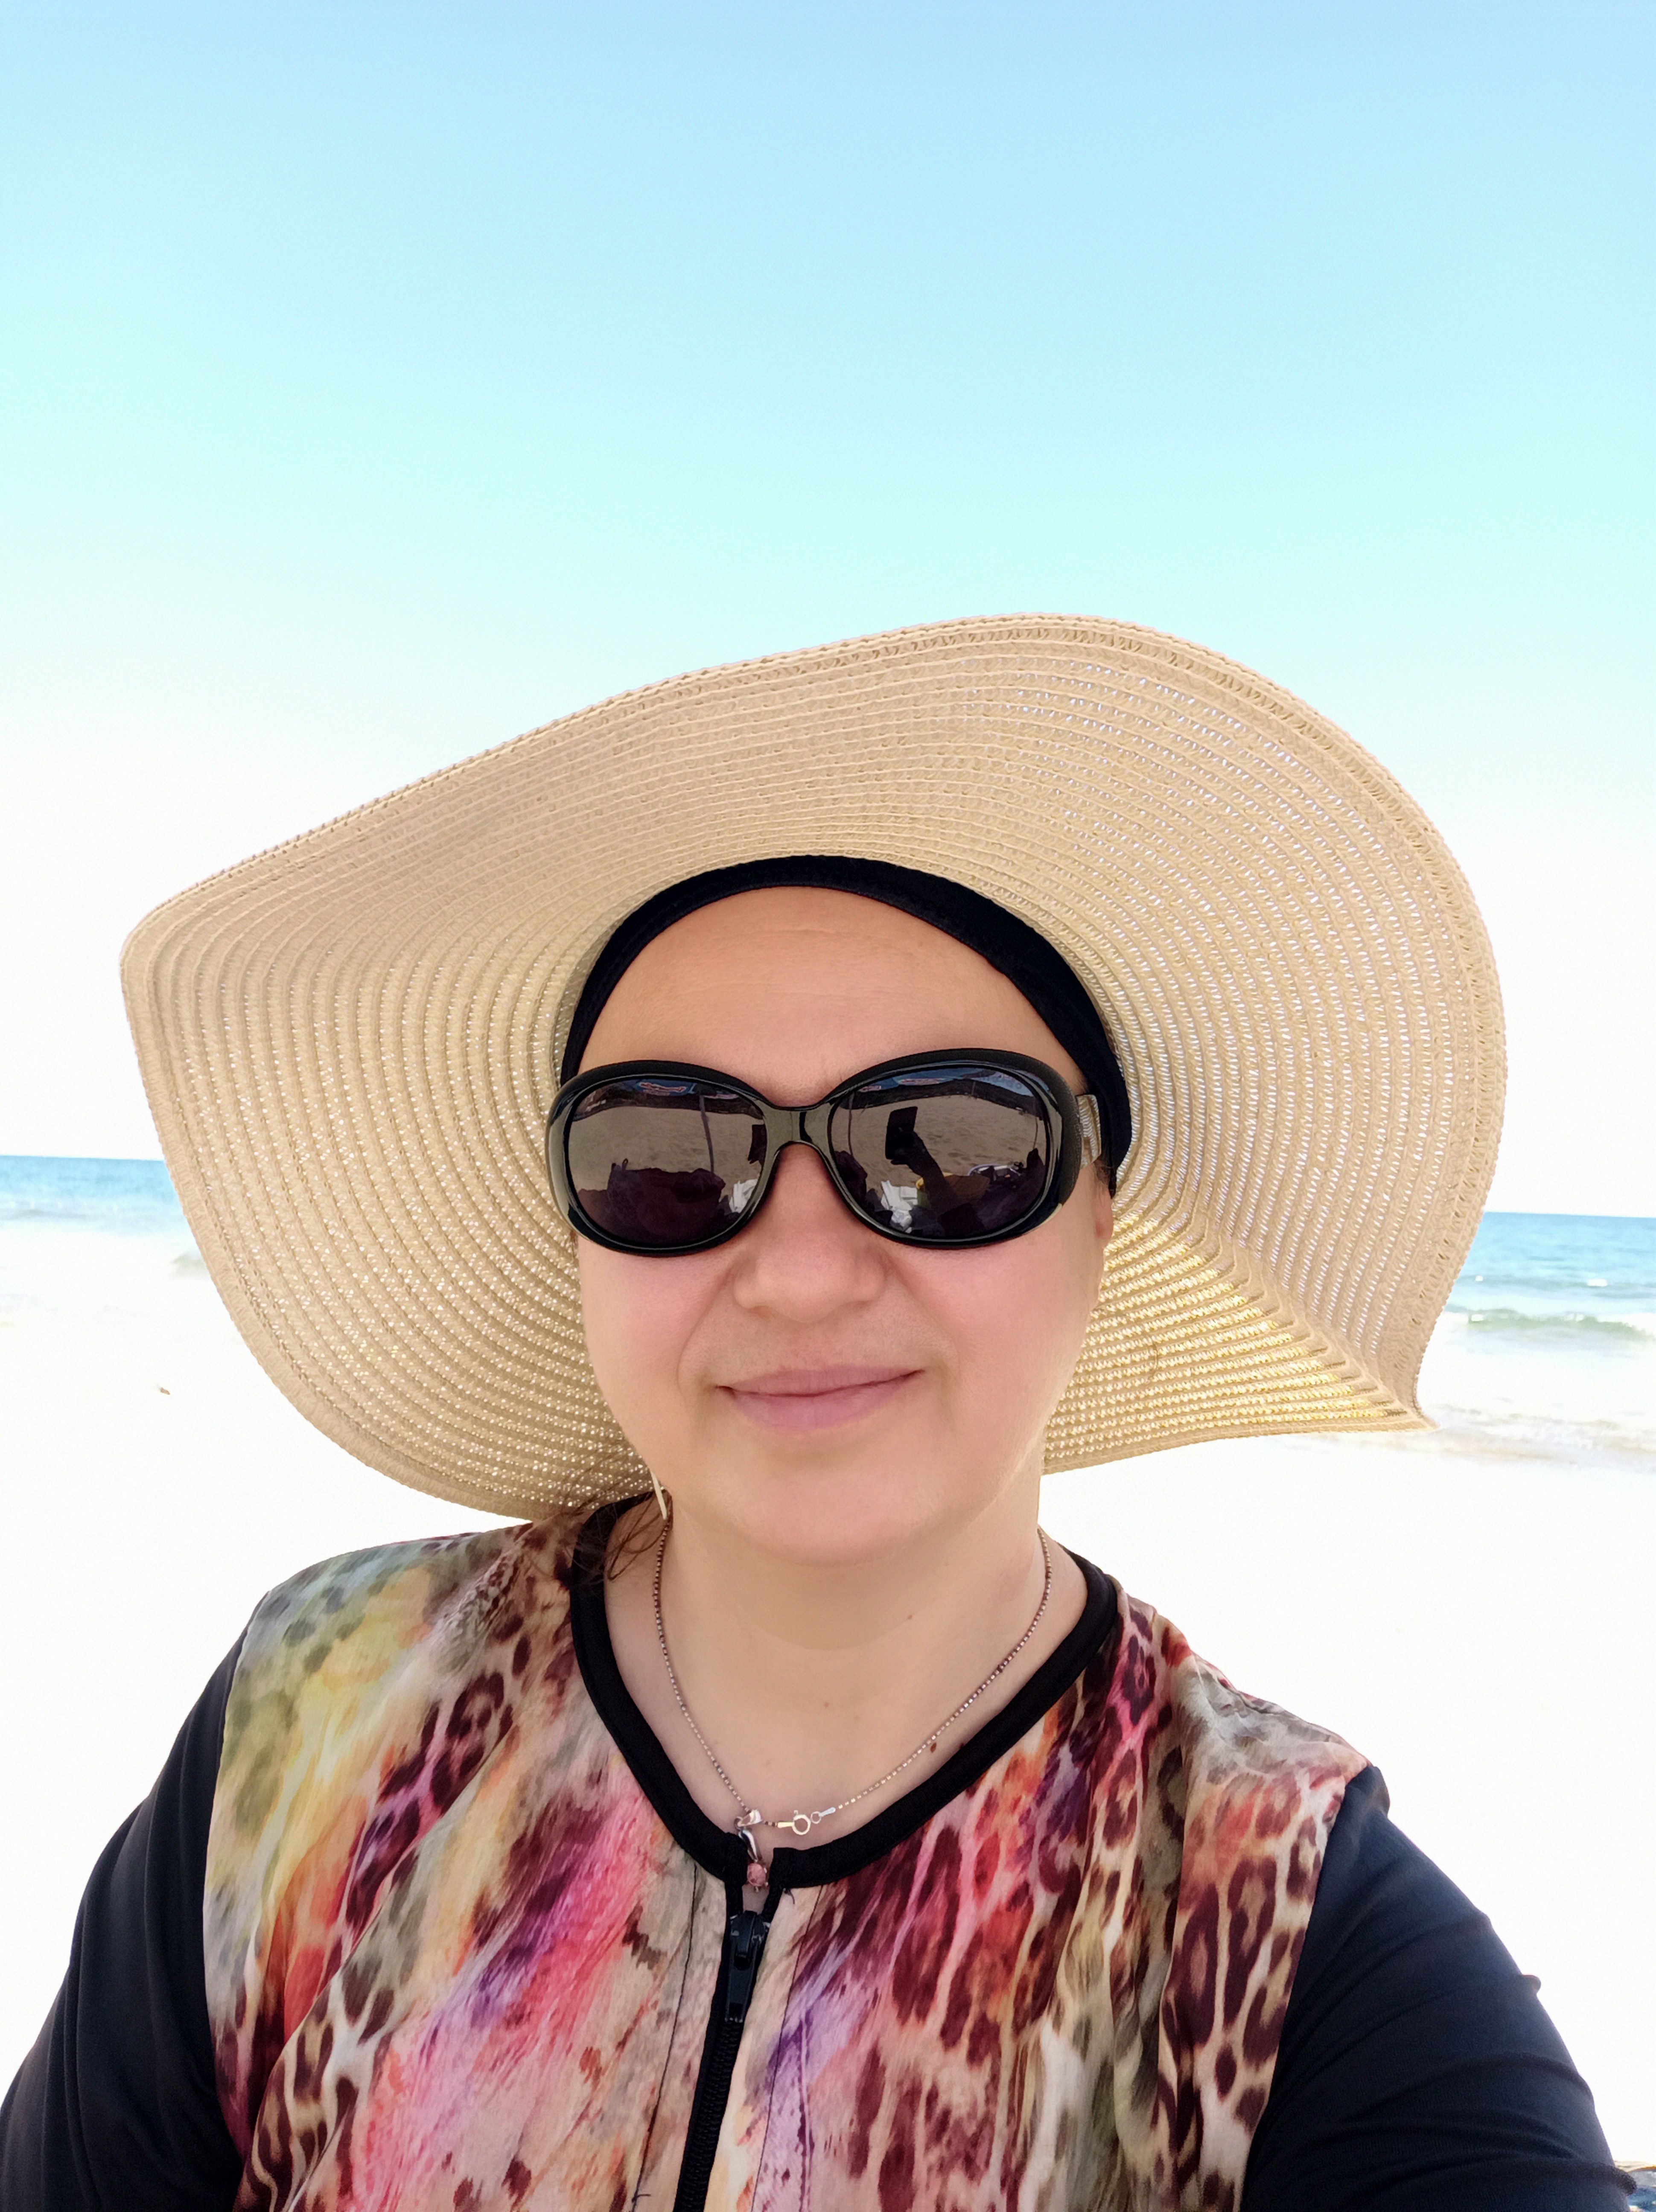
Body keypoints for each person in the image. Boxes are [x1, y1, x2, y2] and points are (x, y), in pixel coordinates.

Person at [0, 618, 1630, 2210]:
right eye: (666, 1151)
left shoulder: (1282, 1921)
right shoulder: (320, 1715)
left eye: (948, 1144)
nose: (795, 1271)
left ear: (1101, 1211)